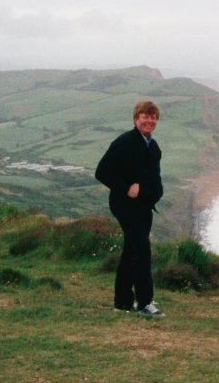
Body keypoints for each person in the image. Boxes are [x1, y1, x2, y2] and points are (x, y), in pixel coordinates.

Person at [95, 100, 165, 317]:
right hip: (124, 205)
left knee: (131, 250)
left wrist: (152, 194)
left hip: (144, 207)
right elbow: (102, 172)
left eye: (153, 117)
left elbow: (155, 181)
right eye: (145, 116)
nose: (150, 121)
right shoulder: (124, 142)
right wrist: (126, 189)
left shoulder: (153, 147)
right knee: (142, 249)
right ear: (136, 119)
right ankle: (145, 302)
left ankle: (123, 302)